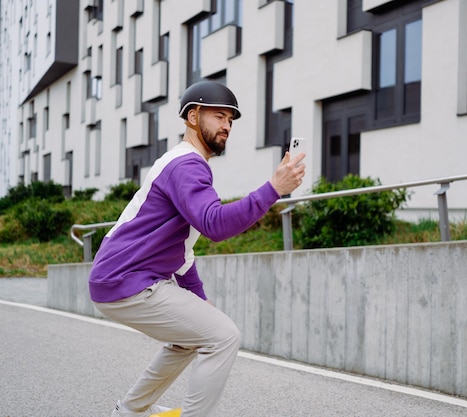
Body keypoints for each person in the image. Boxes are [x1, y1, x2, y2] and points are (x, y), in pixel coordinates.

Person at [89, 80, 306, 417]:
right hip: (129, 278)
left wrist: (197, 296)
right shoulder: (186, 166)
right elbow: (215, 224)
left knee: (193, 336)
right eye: (219, 116)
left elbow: (184, 249)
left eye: (231, 121)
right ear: (193, 116)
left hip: (119, 278)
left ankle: (130, 411)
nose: (226, 127)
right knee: (223, 336)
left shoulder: (181, 164)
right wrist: (274, 188)